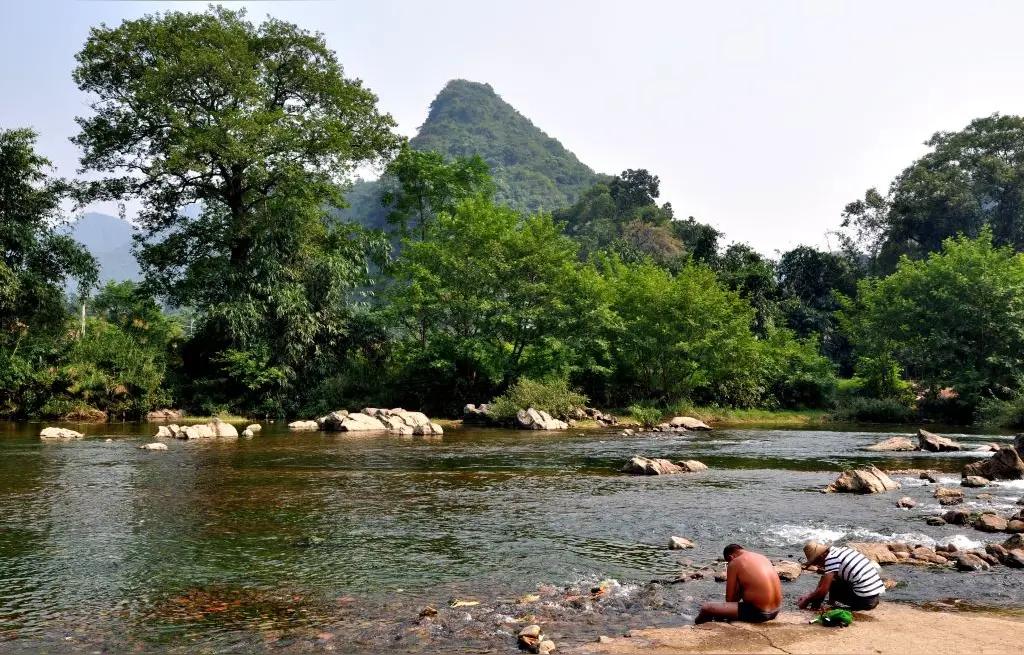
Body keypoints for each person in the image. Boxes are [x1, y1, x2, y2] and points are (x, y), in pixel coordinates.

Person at [695, 544, 783, 624]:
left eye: (728, 562)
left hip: (759, 613)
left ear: (730, 557)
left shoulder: (734, 563)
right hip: (776, 611)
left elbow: (730, 600)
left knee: (706, 608)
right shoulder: (762, 557)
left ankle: (697, 628)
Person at [797, 541, 885, 611]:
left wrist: (807, 598)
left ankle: (816, 607)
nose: (817, 565)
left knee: (829, 582)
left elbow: (823, 591)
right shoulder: (839, 551)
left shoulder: (831, 559)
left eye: (816, 562)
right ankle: (829, 603)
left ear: (822, 555)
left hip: (865, 601)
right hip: (874, 598)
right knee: (829, 579)